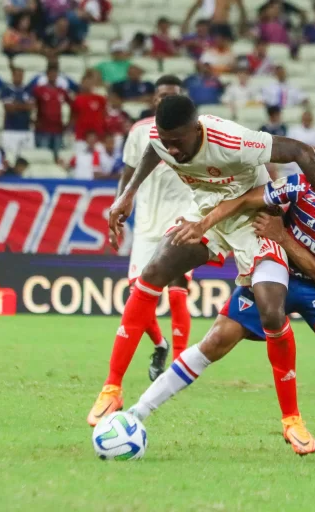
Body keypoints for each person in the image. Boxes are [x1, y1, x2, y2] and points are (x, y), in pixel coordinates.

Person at [87, 95, 315, 443]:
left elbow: (301, 152)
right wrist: (127, 194)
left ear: (196, 129)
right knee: (155, 270)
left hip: (256, 221)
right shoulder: (162, 138)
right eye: (165, 140)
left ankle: (291, 419)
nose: (172, 149)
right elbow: (156, 148)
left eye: (178, 142)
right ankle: (112, 386)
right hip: (208, 217)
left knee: (272, 312)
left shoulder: (232, 140)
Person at [129, 141, 315, 464]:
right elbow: (245, 199)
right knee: (215, 341)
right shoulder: (301, 187)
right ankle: (136, 412)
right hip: (277, 274)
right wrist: (203, 224)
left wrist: (282, 236)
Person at [112, 75, 193, 380]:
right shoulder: (139, 131)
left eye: (170, 95)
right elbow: (129, 171)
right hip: (146, 221)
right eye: (160, 95)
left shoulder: (192, 131)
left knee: (176, 289)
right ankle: (161, 345)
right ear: (153, 99)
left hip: (182, 218)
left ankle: (183, 362)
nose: (163, 100)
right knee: (138, 294)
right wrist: (121, 202)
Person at [32, 64, 71, 158]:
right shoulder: (39, 90)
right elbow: (32, 106)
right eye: (51, 73)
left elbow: (72, 106)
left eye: (55, 73)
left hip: (58, 130)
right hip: (43, 130)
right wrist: (33, 121)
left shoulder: (62, 91)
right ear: (47, 75)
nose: (53, 75)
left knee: (57, 156)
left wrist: (68, 123)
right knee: (43, 156)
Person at [0, 67, 35, 155]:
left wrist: (16, 105)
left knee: (25, 156)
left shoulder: (28, 90)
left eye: (20, 75)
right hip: (10, 129)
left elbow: (30, 107)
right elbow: (9, 108)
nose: (18, 77)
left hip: (25, 129)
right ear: (12, 76)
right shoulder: (6, 90)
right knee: (9, 155)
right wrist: (24, 106)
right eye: (16, 75)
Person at [71, 70, 108, 151]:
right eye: (85, 83)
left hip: (98, 135)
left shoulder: (100, 99)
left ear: (93, 84)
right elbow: (73, 117)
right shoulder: (77, 99)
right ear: (82, 83)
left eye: (90, 83)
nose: (87, 85)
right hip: (81, 136)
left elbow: (105, 114)